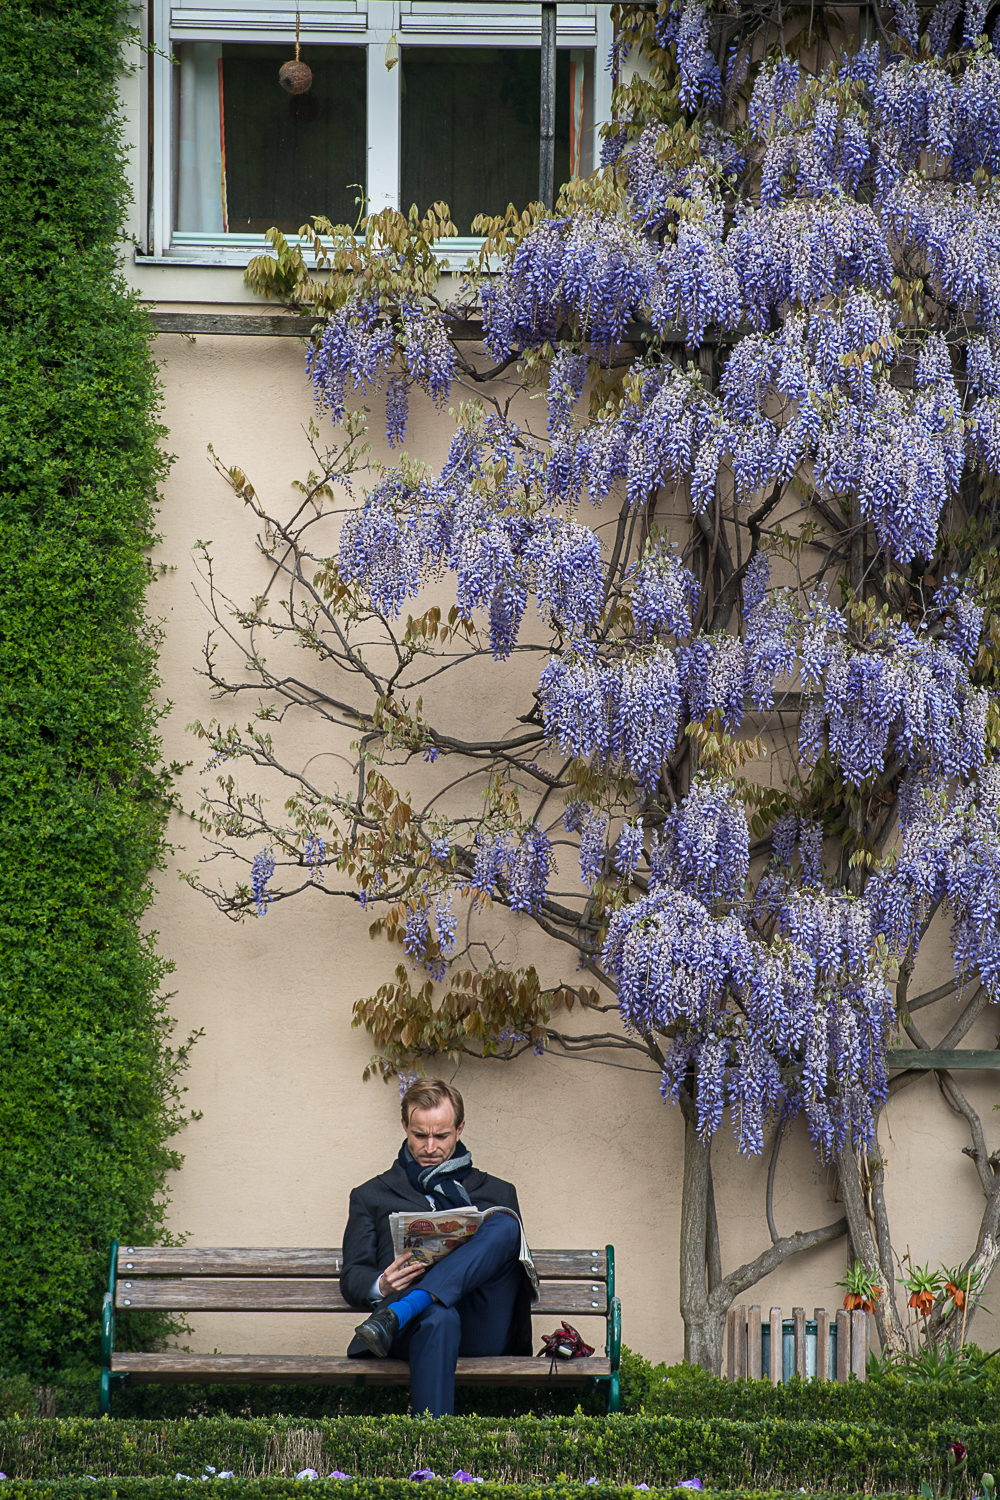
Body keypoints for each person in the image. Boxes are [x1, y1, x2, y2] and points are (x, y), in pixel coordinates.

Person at [340, 1078, 536, 1416]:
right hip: (409, 1332)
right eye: (420, 1135)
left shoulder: (497, 1192)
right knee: (439, 1317)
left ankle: (408, 1306)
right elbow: (352, 1274)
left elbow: (512, 1269)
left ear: (460, 1129)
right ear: (404, 1126)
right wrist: (380, 1285)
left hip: (480, 1324)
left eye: (441, 1136)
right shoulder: (371, 1196)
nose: (430, 1147)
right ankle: (431, 1462)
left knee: (505, 1224)